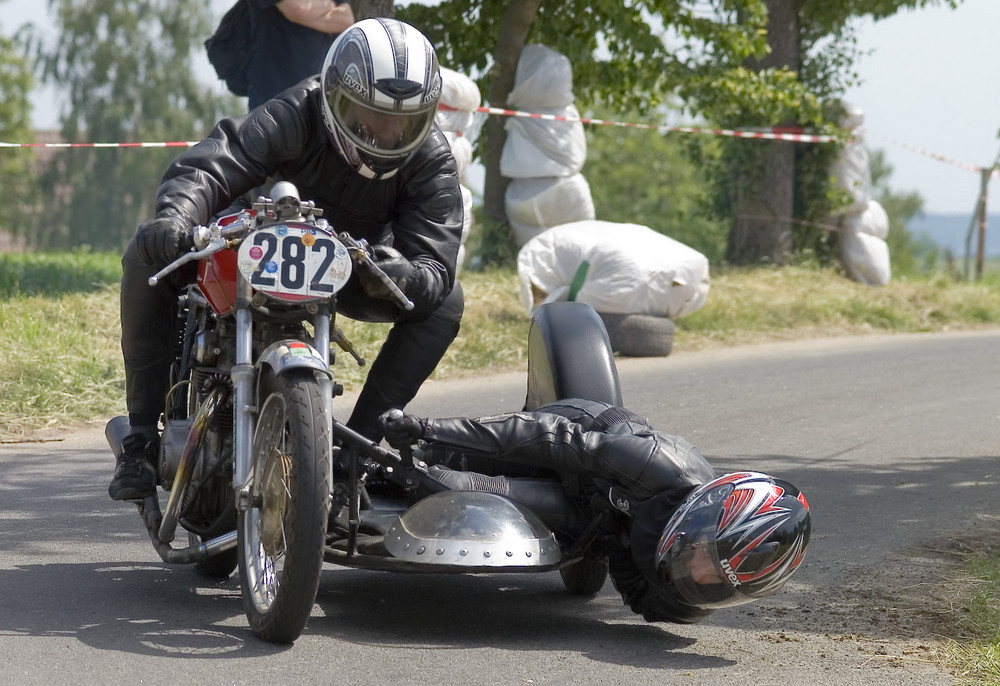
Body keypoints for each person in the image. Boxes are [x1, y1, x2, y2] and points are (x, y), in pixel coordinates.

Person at [109, 18, 463, 501]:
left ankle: (354, 454)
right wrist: (177, 215)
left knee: (445, 304)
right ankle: (141, 438)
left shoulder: (432, 159)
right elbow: (220, 158)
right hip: (254, 240)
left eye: (403, 121)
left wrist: (400, 274)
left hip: (354, 267)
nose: (385, 132)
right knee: (145, 253)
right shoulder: (299, 110)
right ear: (336, 95)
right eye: (370, 114)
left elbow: (435, 266)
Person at [379, 398, 811, 624]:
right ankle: (357, 465)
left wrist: (610, 542)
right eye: (711, 566)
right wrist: (430, 426)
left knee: (450, 489)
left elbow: (638, 594)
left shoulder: (686, 603)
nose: (702, 580)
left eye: (718, 584)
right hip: (579, 441)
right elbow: (546, 437)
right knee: (434, 461)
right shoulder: (659, 467)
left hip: (591, 510)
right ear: (702, 528)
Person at [246, 0, 355, 110]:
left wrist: (304, 16)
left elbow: (346, 19)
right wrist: (329, 6)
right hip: (270, 89)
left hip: (314, 91)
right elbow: (299, 9)